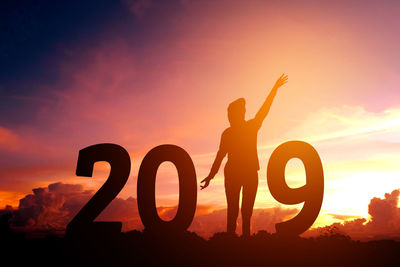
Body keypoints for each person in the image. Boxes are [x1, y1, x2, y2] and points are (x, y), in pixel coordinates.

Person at [200, 74, 288, 237]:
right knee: (232, 211)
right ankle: (232, 242)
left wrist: (274, 89)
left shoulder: (251, 127)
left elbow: (264, 109)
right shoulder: (227, 133)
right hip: (232, 173)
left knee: (246, 212)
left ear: (240, 114)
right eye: (228, 114)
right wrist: (210, 176)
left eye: (231, 114)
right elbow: (220, 156)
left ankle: (245, 242)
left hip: (249, 174)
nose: (229, 117)